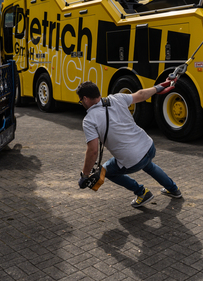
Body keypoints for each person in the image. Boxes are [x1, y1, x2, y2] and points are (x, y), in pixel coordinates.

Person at [76, 80, 182, 208]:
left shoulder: (89, 120)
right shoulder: (116, 98)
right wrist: (159, 87)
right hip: (148, 146)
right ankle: (173, 189)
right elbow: (142, 94)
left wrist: (85, 175)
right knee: (148, 165)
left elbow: (93, 151)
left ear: (86, 99)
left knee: (105, 172)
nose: (81, 103)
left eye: (80, 100)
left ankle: (142, 193)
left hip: (133, 159)